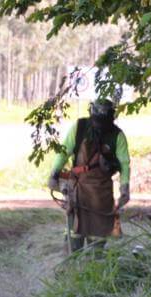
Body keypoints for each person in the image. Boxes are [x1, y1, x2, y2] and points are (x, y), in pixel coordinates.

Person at [48, 98, 131, 252]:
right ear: (92, 114)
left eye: (104, 121)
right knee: (73, 239)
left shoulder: (117, 136)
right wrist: (54, 174)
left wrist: (125, 188)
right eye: (98, 120)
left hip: (101, 194)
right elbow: (63, 152)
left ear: (111, 118)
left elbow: (124, 164)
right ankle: (71, 270)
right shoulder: (79, 128)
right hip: (77, 191)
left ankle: (94, 271)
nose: (100, 124)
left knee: (97, 243)